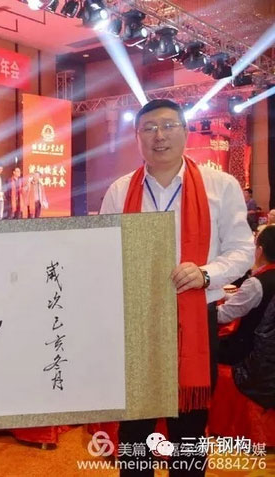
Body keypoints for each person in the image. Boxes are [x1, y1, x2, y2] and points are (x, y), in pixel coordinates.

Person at [99, 99, 254, 477]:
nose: (160, 136)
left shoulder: (220, 185)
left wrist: (206, 274)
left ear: (185, 132)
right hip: (137, 320)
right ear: (137, 137)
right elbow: (102, 250)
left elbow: (243, 249)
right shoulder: (121, 190)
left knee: (189, 431)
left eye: (169, 126)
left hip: (196, 317)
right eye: (149, 128)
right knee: (134, 430)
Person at [218, 225, 275, 365]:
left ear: (259, 251)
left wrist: (205, 307)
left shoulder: (256, 284)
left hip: (250, 350)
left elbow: (224, 315)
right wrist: (224, 295)